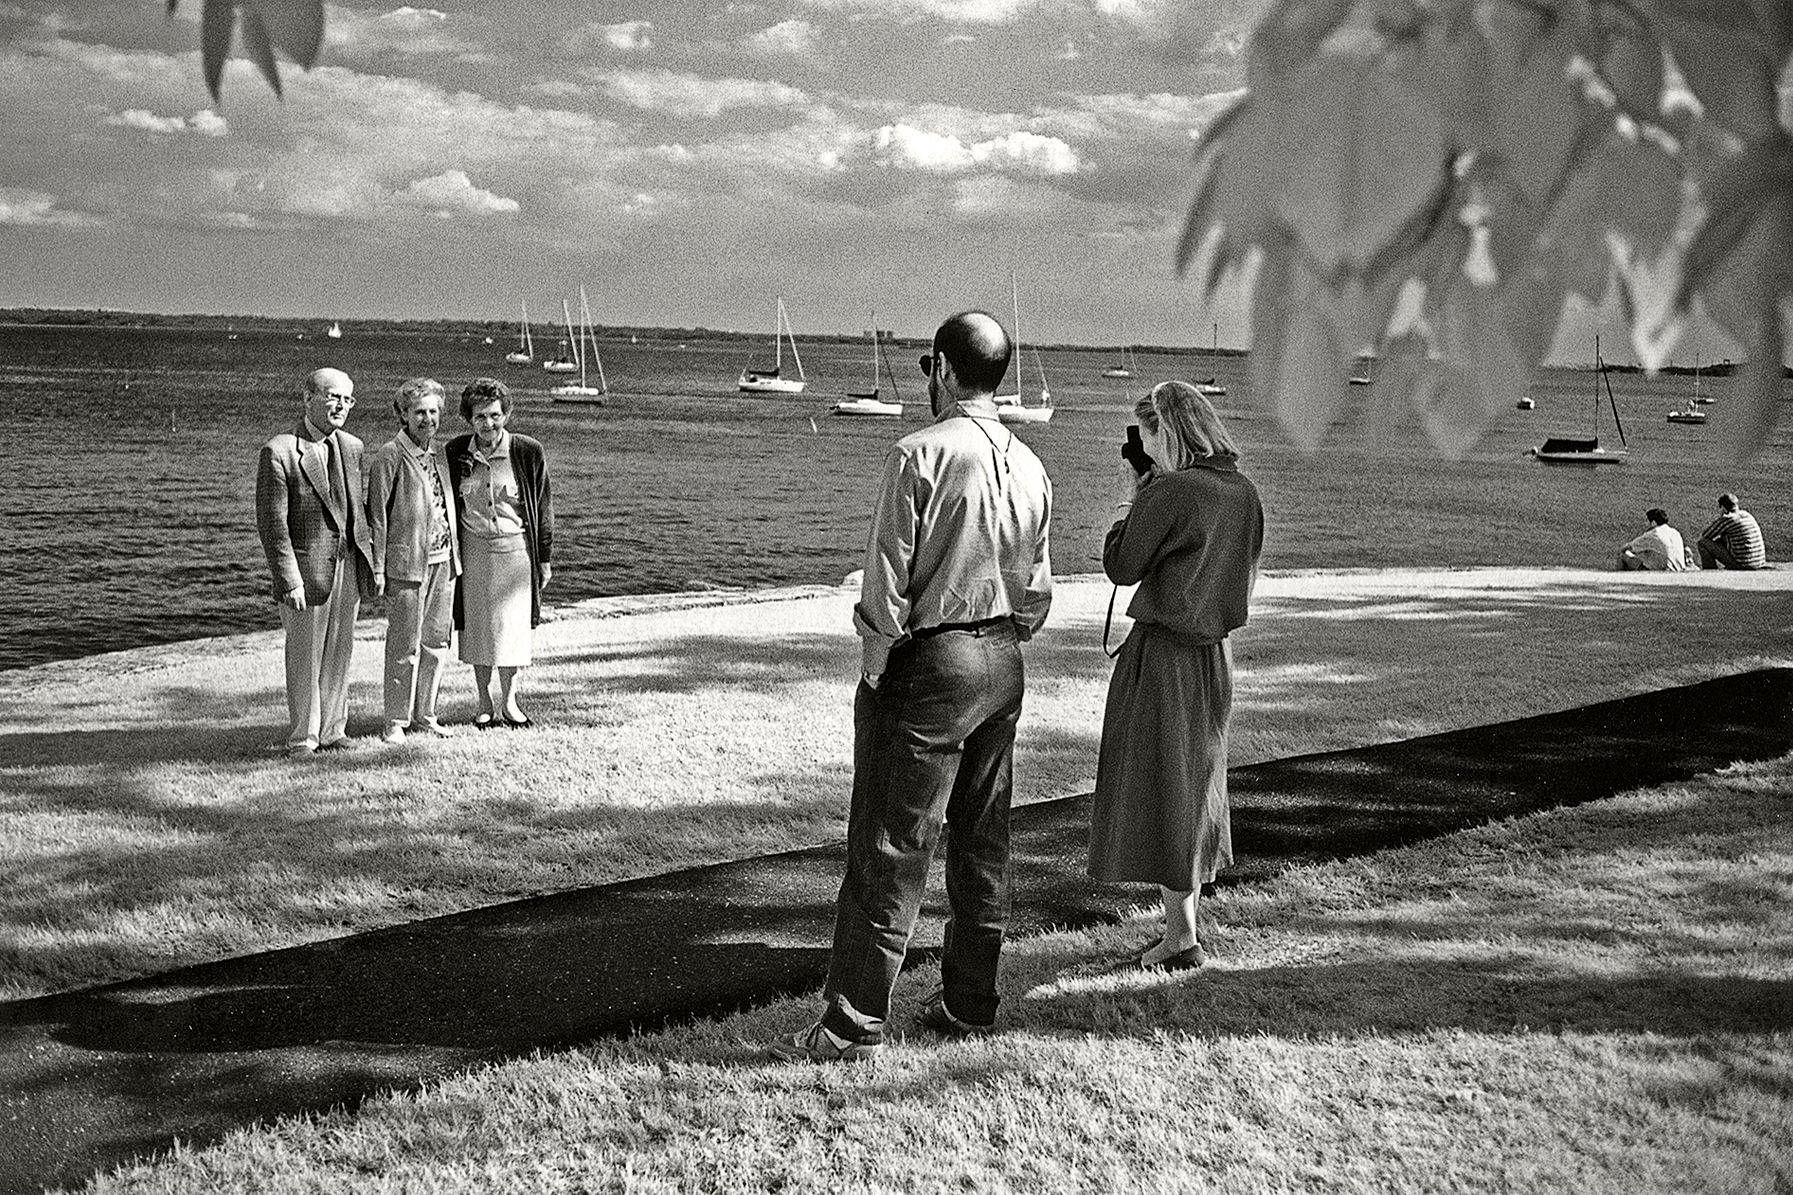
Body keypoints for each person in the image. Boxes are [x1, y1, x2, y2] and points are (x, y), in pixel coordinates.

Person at [773, 311, 1053, 1062]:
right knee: (981, 838)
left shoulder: (917, 452)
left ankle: (853, 1020)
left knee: (890, 842)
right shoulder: (1030, 464)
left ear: (940, 369)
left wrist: (876, 661)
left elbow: (886, 578)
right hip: (1002, 657)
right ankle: (970, 999)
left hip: (932, 661)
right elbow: (1036, 590)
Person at [1088, 380, 1264, 971]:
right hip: (1214, 656)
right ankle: (1181, 930)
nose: (1145, 449)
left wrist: (1131, 496)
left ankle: (1180, 937)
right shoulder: (1242, 492)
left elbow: (1121, 564)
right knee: (1192, 782)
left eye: (1146, 436)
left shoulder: (1171, 492)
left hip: (1163, 655)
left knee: (1163, 782)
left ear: (1165, 431)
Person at [254, 367, 375, 757]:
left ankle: (333, 730)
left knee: (341, 650)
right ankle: (304, 736)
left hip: (348, 566)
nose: (341, 406)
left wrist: (370, 562)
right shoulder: (280, 451)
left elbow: (357, 511)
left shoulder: (353, 447)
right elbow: (273, 526)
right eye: (333, 397)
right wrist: (288, 580)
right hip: (307, 572)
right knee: (305, 655)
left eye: (348, 399)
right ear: (308, 399)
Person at [445, 378, 553, 727]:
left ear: (506, 414)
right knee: (477, 627)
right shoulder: (456, 452)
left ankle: (510, 702)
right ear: (469, 419)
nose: (488, 423)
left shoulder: (527, 451)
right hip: (473, 550)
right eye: (480, 417)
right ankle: (483, 701)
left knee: (511, 629)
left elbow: (543, 505)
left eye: (494, 415)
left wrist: (544, 558)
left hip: (515, 551)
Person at [368, 377, 461, 743]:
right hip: (407, 567)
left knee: (437, 643)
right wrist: (378, 566)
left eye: (433, 412)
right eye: (419, 412)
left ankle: (426, 713)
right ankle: (395, 719)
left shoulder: (440, 453)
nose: (427, 419)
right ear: (403, 414)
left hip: (444, 562)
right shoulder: (391, 455)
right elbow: (377, 515)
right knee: (404, 643)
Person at [1696, 492, 1767, 570]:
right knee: (1722, 539)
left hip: (1742, 565)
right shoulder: (1747, 515)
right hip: (1758, 563)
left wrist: (1721, 519)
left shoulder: (1728, 519)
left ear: (1723, 508)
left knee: (1703, 543)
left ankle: (1710, 571)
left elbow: (1706, 535)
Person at [1617, 508, 1689, 572]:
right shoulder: (1675, 532)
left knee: (1624, 554)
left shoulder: (1653, 533)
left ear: (1653, 522)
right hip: (1679, 569)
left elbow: (1627, 547)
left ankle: (1619, 578)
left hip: (1663, 572)